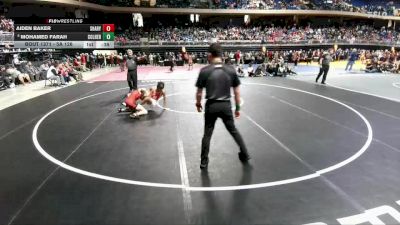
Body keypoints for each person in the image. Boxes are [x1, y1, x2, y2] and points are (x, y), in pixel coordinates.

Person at [195, 43, 251, 169]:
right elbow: (237, 92)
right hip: (226, 106)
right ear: (221, 54)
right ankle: (245, 154)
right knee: (233, 131)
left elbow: (199, 92)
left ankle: (204, 161)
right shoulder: (230, 70)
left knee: (207, 134)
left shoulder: (205, 71)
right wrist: (237, 109)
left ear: (210, 54)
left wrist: (198, 104)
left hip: (211, 105)